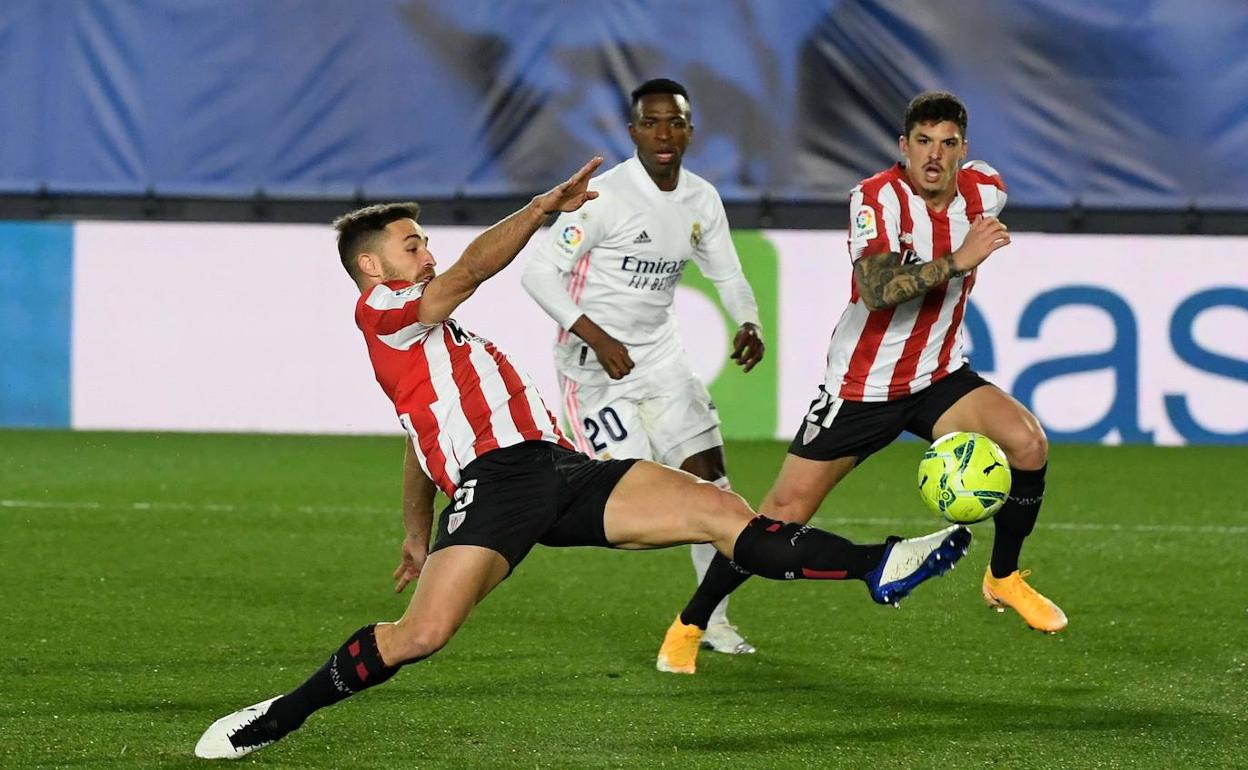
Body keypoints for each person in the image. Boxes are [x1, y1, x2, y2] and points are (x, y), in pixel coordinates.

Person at [194, 156, 973, 760]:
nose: (426, 251)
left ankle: (880, 564)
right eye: (411, 242)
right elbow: (466, 275)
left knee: (720, 512)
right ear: (374, 266)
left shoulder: (433, 344)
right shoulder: (383, 310)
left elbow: (415, 431)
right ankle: (277, 717)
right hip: (497, 486)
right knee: (420, 636)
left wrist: (412, 526)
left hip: (559, 468)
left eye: (424, 238)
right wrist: (540, 210)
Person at [659, 90, 1067, 674]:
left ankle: (1003, 576)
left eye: (947, 144)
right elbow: (875, 291)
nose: (934, 156)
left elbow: (971, 216)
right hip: (862, 388)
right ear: (903, 147)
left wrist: (963, 252)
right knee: (778, 515)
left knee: (1028, 443)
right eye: (922, 142)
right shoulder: (875, 199)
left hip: (939, 375)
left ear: (963, 151)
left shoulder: (985, 190)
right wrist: (958, 259)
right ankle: (693, 621)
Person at [521, 78, 764, 662]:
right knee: (635, 501)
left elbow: (727, 273)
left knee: (715, 489)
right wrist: (596, 335)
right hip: (594, 368)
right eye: (651, 123)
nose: (664, 134)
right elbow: (537, 275)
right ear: (633, 132)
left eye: (675, 122)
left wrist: (748, 321)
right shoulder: (603, 198)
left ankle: (710, 621)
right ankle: (531, 516)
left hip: (660, 356)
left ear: (689, 129)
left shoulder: (701, 198)